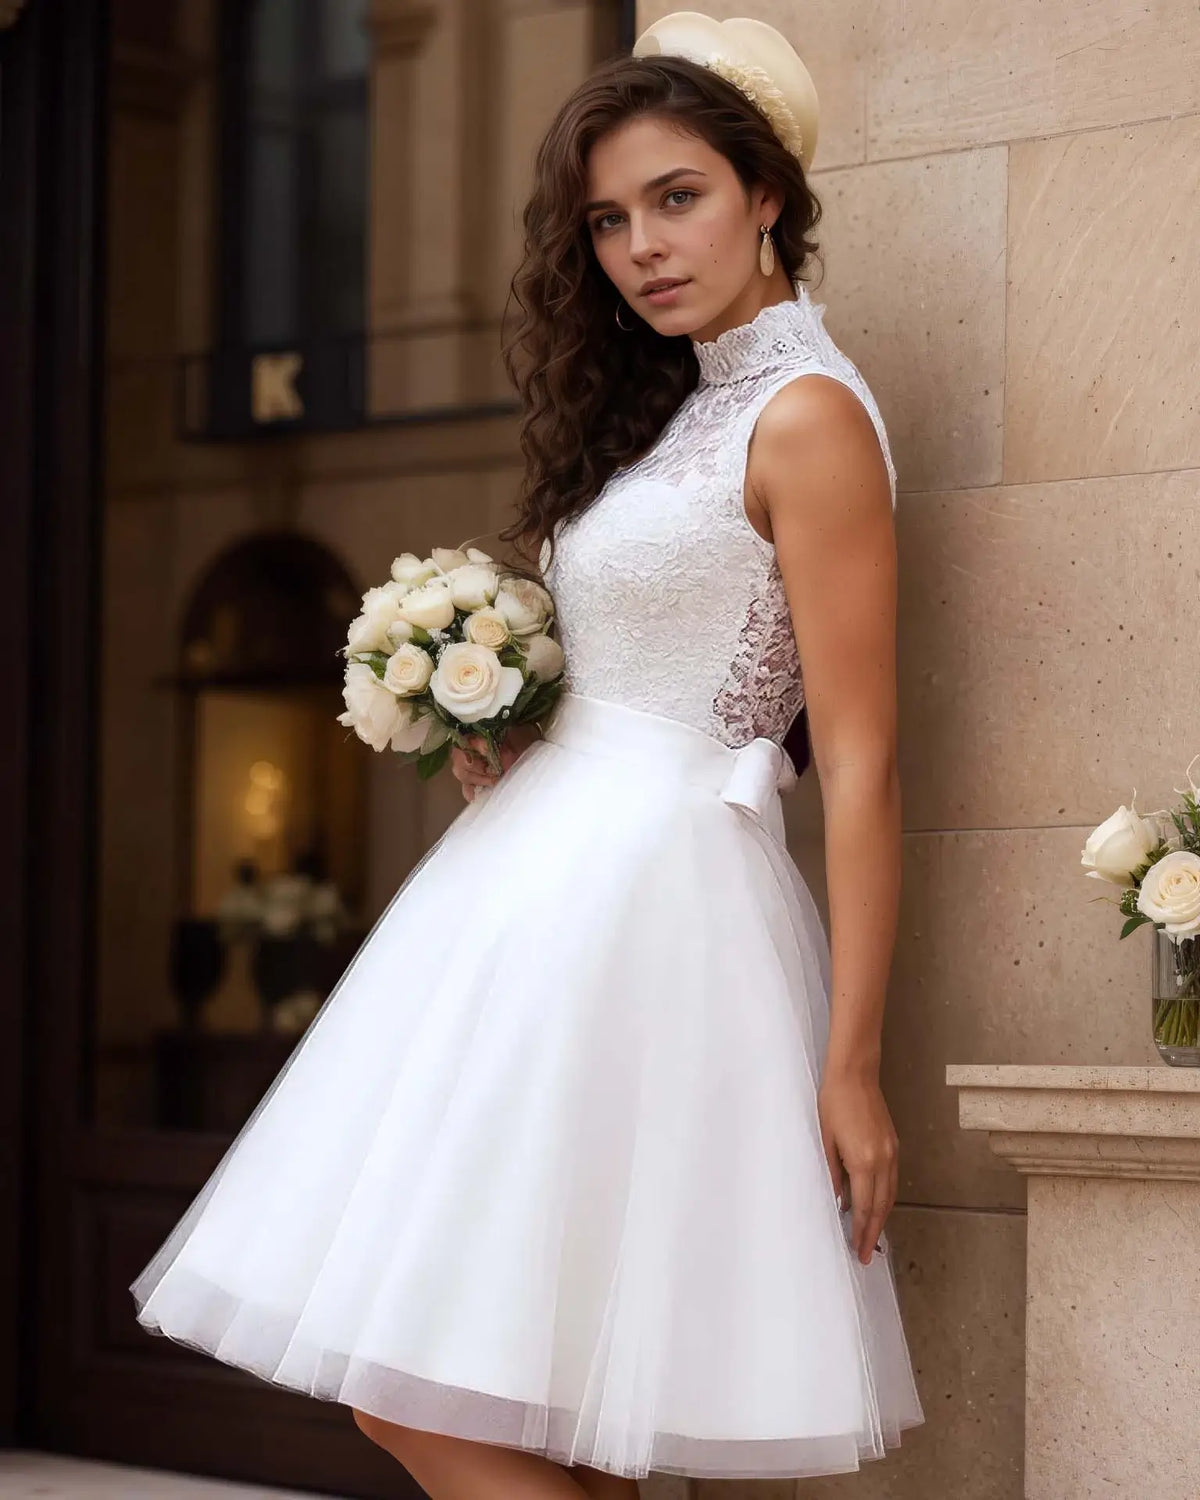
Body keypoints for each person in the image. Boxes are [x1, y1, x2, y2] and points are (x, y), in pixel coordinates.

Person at [129, 12, 925, 1497]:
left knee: (426, 1387)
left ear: (768, 193)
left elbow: (867, 762)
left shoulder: (807, 418)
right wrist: (505, 717)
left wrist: (853, 1063)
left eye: (677, 198)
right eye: (609, 220)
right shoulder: (677, 410)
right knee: (522, 1394)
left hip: (651, 909)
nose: (641, 248)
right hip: (545, 899)